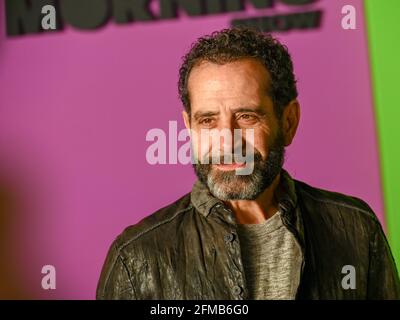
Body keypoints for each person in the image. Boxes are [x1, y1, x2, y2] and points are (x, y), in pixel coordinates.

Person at [96, 27, 400, 300]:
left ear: (289, 121)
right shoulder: (136, 259)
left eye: (247, 117)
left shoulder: (356, 230)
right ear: (189, 126)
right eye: (208, 121)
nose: (227, 142)